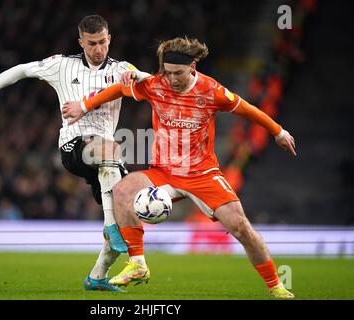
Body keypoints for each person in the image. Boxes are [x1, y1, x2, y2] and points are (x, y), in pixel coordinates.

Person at [61, 37, 297, 298]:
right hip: (163, 171)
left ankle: (275, 285)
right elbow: (118, 89)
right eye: (168, 72)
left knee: (240, 227)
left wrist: (278, 132)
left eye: (178, 73)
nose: (171, 79)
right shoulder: (155, 85)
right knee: (123, 191)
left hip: (201, 174)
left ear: (193, 66)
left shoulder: (211, 91)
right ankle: (137, 264)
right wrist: (84, 106)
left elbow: (248, 109)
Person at [0, 15, 149, 293]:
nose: (98, 49)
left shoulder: (123, 68)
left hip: (106, 158)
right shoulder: (62, 65)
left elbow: (155, 82)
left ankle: (97, 276)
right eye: (91, 44)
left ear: (109, 39)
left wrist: (139, 76)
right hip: (74, 145)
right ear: (81, 42)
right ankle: (112, 229)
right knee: (110, 150)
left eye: (102, 42)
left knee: (128, 215)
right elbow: (21, 70)